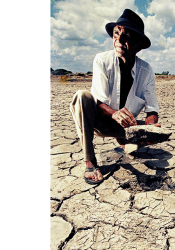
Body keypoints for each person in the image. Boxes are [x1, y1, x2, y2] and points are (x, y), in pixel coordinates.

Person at [70, 9, 160, 185]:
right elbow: (97, 99)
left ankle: (125, 143)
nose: (118, 41)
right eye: (116, 34)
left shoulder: (146, 71)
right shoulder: (102, 61)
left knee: (150, 135)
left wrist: (151, 128)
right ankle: (90, 161)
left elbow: (152, 109)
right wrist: (114, 113)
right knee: (82, 96)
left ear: (138, 44)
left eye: (125, 36)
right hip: (99, 121)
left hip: (126, 127)